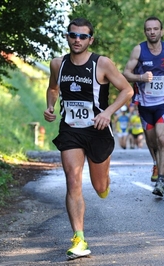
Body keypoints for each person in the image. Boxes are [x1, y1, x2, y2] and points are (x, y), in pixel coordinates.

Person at [43, 18, 133, 260]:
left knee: (99, 186)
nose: (77, 40)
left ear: (90, 40)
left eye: (83, 36)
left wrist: (107, 112)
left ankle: (104, 180)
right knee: (73, 180)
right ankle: (79, 238)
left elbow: (127, 90)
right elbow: (53, 88)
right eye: (73, 35)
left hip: (97, 130)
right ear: (67, 37)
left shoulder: (102, 63)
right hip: (71, 130)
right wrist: (50, 106)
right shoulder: (57, 64)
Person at [123, 16, 164, 197]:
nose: (152, 32)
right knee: (151, 141)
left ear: (161, 31)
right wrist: (141, 78)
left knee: (163, 138)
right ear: (145, 32)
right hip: (145, 104)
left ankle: (161, 180)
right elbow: (126, 72)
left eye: (156, 29)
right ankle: (157, 164)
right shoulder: (138, 50)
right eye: (149, 29)